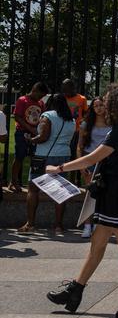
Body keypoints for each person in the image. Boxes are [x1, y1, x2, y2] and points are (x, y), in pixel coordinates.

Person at [45, 83, 118, 318]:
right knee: (99, 242)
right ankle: (76, 290)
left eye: (107, 101)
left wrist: (59, 168)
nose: (104, 105)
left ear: (117, 104)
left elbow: (93, 158)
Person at [20, 93, 77, 233]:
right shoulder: (71, 120)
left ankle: (30, 224)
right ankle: (58, 226)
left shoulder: (47, 116)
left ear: (50, 103)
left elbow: (43, 137)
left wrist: (30, 140)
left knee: (33, 189)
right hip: (63, 156)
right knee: (61, 192)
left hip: (44, 156)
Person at [78, 96, 112, 239]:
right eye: (96, 106)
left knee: (105, 195)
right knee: (90, 194)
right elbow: (79, 146)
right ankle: (87, 225)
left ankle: (100, 225)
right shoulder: (86, 124)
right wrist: (81, 165)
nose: (99, 108)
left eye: (101, 105)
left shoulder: (112, 123)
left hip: (107, 161)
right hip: (90, 160)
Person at [8, 82, 47, 193]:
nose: (41, 98)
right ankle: (14, 182)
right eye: (40, 95)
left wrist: (38, 130)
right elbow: (17, 117)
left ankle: (35, 183)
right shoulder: (22, 100)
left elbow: (43, 117)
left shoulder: (40, 103)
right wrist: (30, 129)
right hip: (22, 132)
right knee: (19, 156)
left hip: (35, 134)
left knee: (35, 158)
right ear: (34, 90)